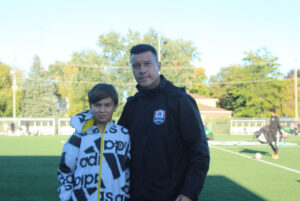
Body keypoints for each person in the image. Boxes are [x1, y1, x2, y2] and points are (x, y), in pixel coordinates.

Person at [118, 44, 210, 201]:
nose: (142, 70)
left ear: (158, 66)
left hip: (171, 195)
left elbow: (199, 152)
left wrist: (189, 192)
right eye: (136, 65)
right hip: (135, 195)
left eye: (147, 64)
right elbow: (117, 145)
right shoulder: (132, 105)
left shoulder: (179, 100)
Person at [57, 83, 130, 201]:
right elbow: (65, 169)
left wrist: (125, 196)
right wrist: (66, 197)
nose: (102, 110)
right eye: (97, 105)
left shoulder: (124, 135)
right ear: (91, 106)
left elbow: (128, 171)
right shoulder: (79, 135)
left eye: (107, 105)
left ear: (115, 107)